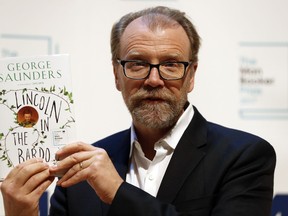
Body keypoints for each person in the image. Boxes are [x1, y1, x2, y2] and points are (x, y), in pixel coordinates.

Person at [0, 5, 276, 216]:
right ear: (117, 75)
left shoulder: (244, 157)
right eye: (137, 64)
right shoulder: (78, 176)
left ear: (191, 75)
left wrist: (118, 192)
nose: (154, 80)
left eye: (170, 64)